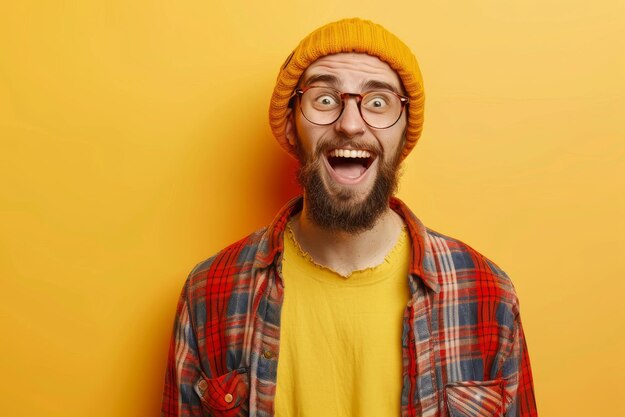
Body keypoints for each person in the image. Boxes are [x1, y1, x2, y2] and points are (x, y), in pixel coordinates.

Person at [161, 18, 537, 417]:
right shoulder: (209, 293)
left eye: (378, 103)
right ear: (291, 123)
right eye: (324, 100)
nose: (350, 124)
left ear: (405, 130)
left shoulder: (485, 293)